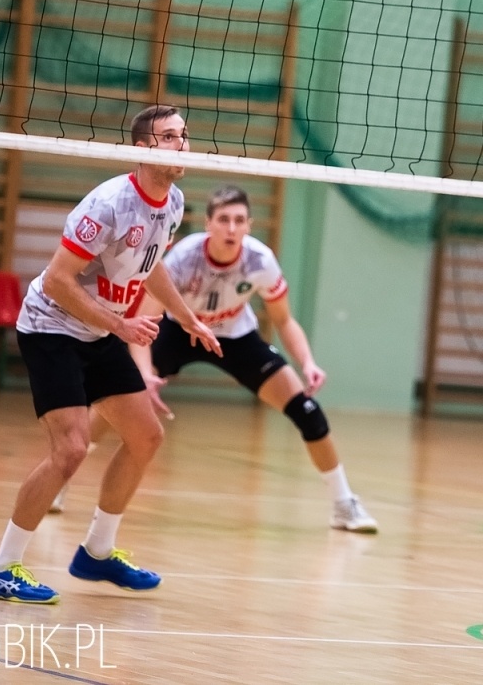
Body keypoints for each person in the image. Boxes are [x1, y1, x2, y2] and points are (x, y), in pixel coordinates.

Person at [0, 105, 219, 604]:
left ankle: (97, 553)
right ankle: (0, 568)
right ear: (142, 148)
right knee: (69, 450)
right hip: (51, 327)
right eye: (170, 136)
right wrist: (121, 326)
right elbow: (60, 280)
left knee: (146, 435)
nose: (183, 144)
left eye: (185, 135)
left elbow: (149, 267)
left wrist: (186, 316)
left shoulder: (172, 201)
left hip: (99, 329)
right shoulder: (107, 204)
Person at [139, 185, 378, 534]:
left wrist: (308, 363)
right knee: (119, 399)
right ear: (208, 224)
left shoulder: (260, 261)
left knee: (307, 412)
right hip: (180, 331)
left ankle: (344, 504)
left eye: (239, 221)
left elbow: (283, 320)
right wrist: (145, 375)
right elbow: (147, 321)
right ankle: (65, 484)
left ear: (249, 225)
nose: (231, 228)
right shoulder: (182, 259)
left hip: (236, 337)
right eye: (223, 220)